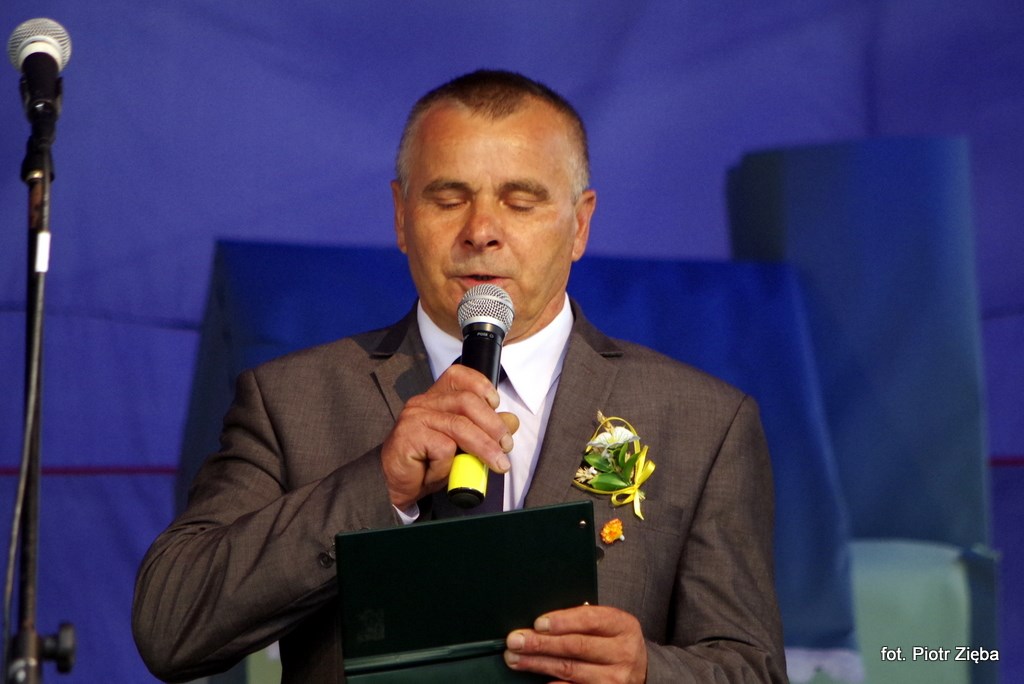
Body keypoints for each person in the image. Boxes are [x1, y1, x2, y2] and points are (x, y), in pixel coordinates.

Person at [133, 69, 787, 683]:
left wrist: (647, 673)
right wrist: (378, 487)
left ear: (580, 223)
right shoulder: (292, 400)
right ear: (401, 215)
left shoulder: (702, 422)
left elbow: (751, 667)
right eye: (449, 199)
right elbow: (170, 626)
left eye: (521, 203)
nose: (481, 231)